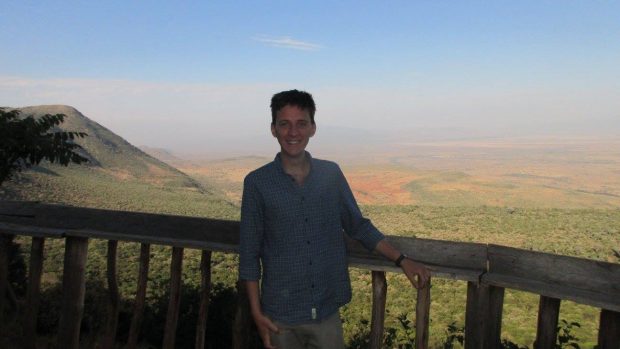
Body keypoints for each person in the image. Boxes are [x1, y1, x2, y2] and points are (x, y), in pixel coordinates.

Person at [239, 89, 430, 349]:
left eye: (301, 123)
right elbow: (249, 254)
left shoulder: (331, 174)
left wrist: (402, 260)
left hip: (326, 311)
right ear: (273, 129)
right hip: (279, 316)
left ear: (313, 128)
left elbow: (357, 225)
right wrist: (256, 313)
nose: (293, 132)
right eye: (284, 124)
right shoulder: (257, 183)